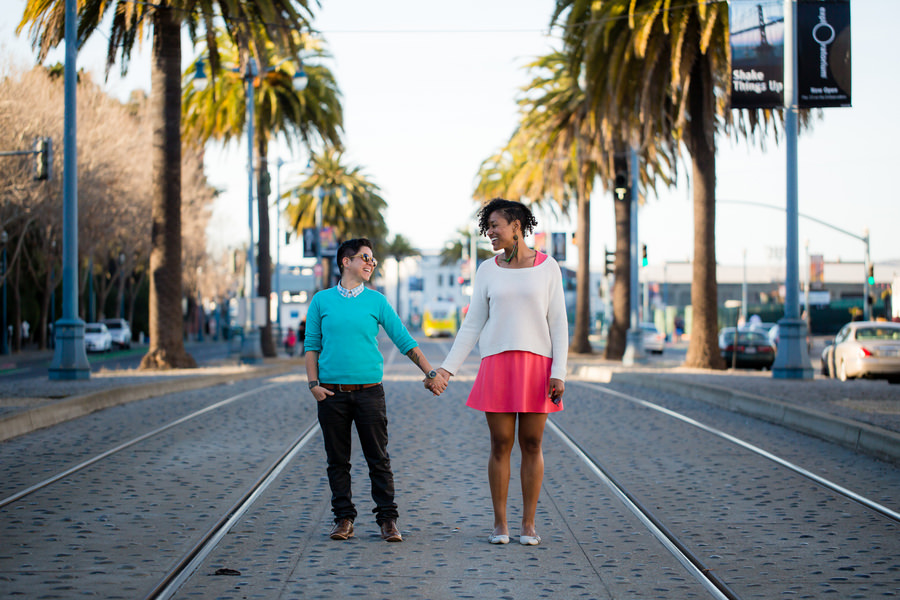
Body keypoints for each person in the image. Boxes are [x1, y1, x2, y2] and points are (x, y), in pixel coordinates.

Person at [427, 198, 567, 546]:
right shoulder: (487, 270)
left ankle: (529, 525)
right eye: (487, 226)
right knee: (500, 444)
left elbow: (559, 323)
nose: (489, 232)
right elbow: (472, 324)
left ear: (517, 226)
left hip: (538, 366)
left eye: (495, 225)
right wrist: (446, 370)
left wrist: (559, 371)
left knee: (532, 443)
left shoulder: (548, 267)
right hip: (498, 364)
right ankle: (501, 524)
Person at [305, 238, 445, 543]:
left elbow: (404, 341)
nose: (371, 263)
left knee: (378, 458)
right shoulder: (321, 301)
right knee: (337, 460)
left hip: (370, 393)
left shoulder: (376, 301)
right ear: (346, 261)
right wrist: (313, 385)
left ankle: (388, 520)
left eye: (373, 259)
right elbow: (311, 347)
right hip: (331, 394)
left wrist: (430, 373)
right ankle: (343, 519)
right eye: (365, 258)